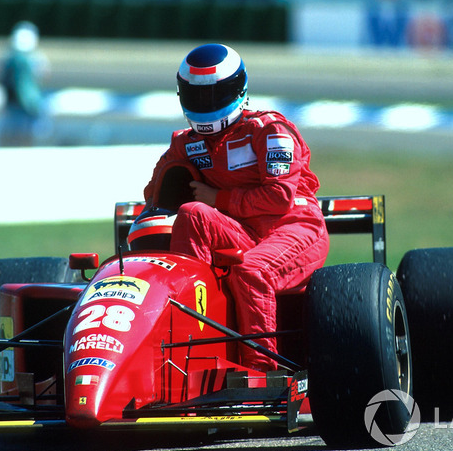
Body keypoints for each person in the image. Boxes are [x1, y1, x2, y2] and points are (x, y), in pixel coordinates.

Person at [140, 43, 330, 372]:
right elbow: (155, 196)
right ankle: (193, 358)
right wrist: (171, 188)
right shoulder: (186, 143)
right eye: (196, 96)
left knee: (251, 271)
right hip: (243, 232)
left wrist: (218, 199)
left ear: (238, 90)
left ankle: (263, 372)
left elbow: (278, 198)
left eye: (214, 95)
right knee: (191, 215)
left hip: (293, 228)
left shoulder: (272, 131)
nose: (205, 104)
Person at [0, 21, 49, 146]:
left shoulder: (9, 58)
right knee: (23, 138)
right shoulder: (35, 58)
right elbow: (44, 76)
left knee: (14, 137)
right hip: (23, 105)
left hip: (20, 105)